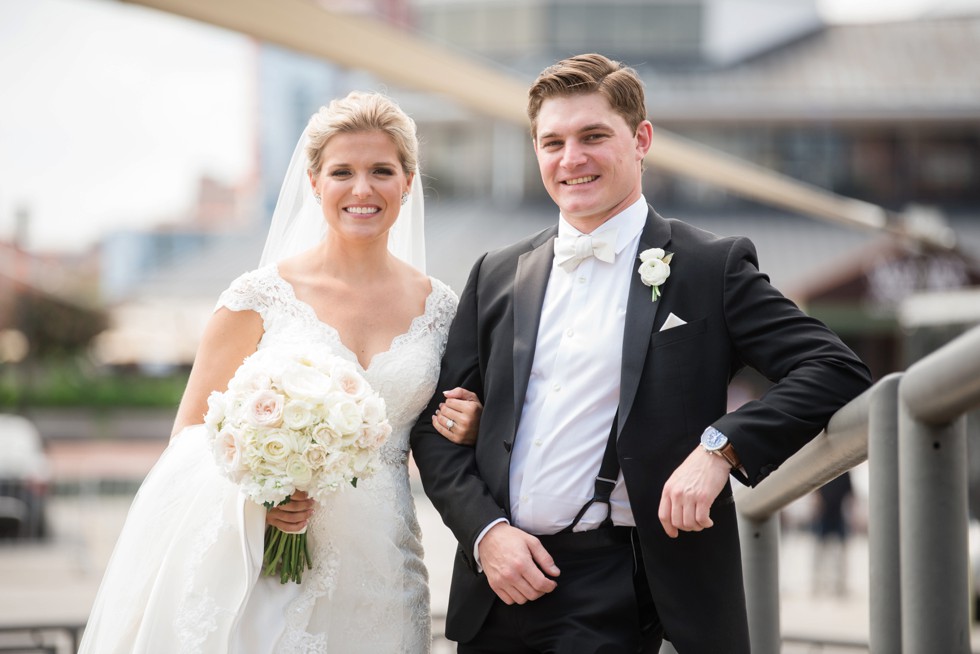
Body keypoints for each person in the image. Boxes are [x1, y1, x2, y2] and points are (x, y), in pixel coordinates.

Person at [410, 53, 872, 653]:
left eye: (593, 136)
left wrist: (720, 449)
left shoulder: (711, 267)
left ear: (641, 139)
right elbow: (436, 430)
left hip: (616, 582)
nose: (571, 158)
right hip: (495, 579)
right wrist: (485, 533)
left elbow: (834, 368)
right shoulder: (497, 273)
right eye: (552, 142)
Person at [79, 91, 482, 653]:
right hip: (269, 562)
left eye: (381, 171)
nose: (362, 189)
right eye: (342, 171)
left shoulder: (442, 309)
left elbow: (441, 429)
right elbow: (189, 439)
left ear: (408, 181)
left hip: (387, 570)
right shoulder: (256, 298)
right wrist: (260, 497)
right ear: (314, 183)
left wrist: (468, 425)